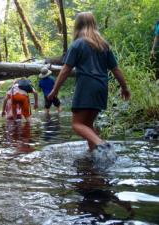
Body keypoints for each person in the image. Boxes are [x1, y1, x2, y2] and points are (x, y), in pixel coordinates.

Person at [47, 12, 131, 160]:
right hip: (101, 87)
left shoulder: (78, 44)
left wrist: (55, 90)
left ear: (77, 26)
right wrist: (124, 88)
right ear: (94, 24)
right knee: (88, 125)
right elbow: (115, 69)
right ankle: (96, 156)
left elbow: (66, 70)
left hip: (86, 87)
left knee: (77, 124)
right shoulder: (103, 45)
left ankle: (102, 145)